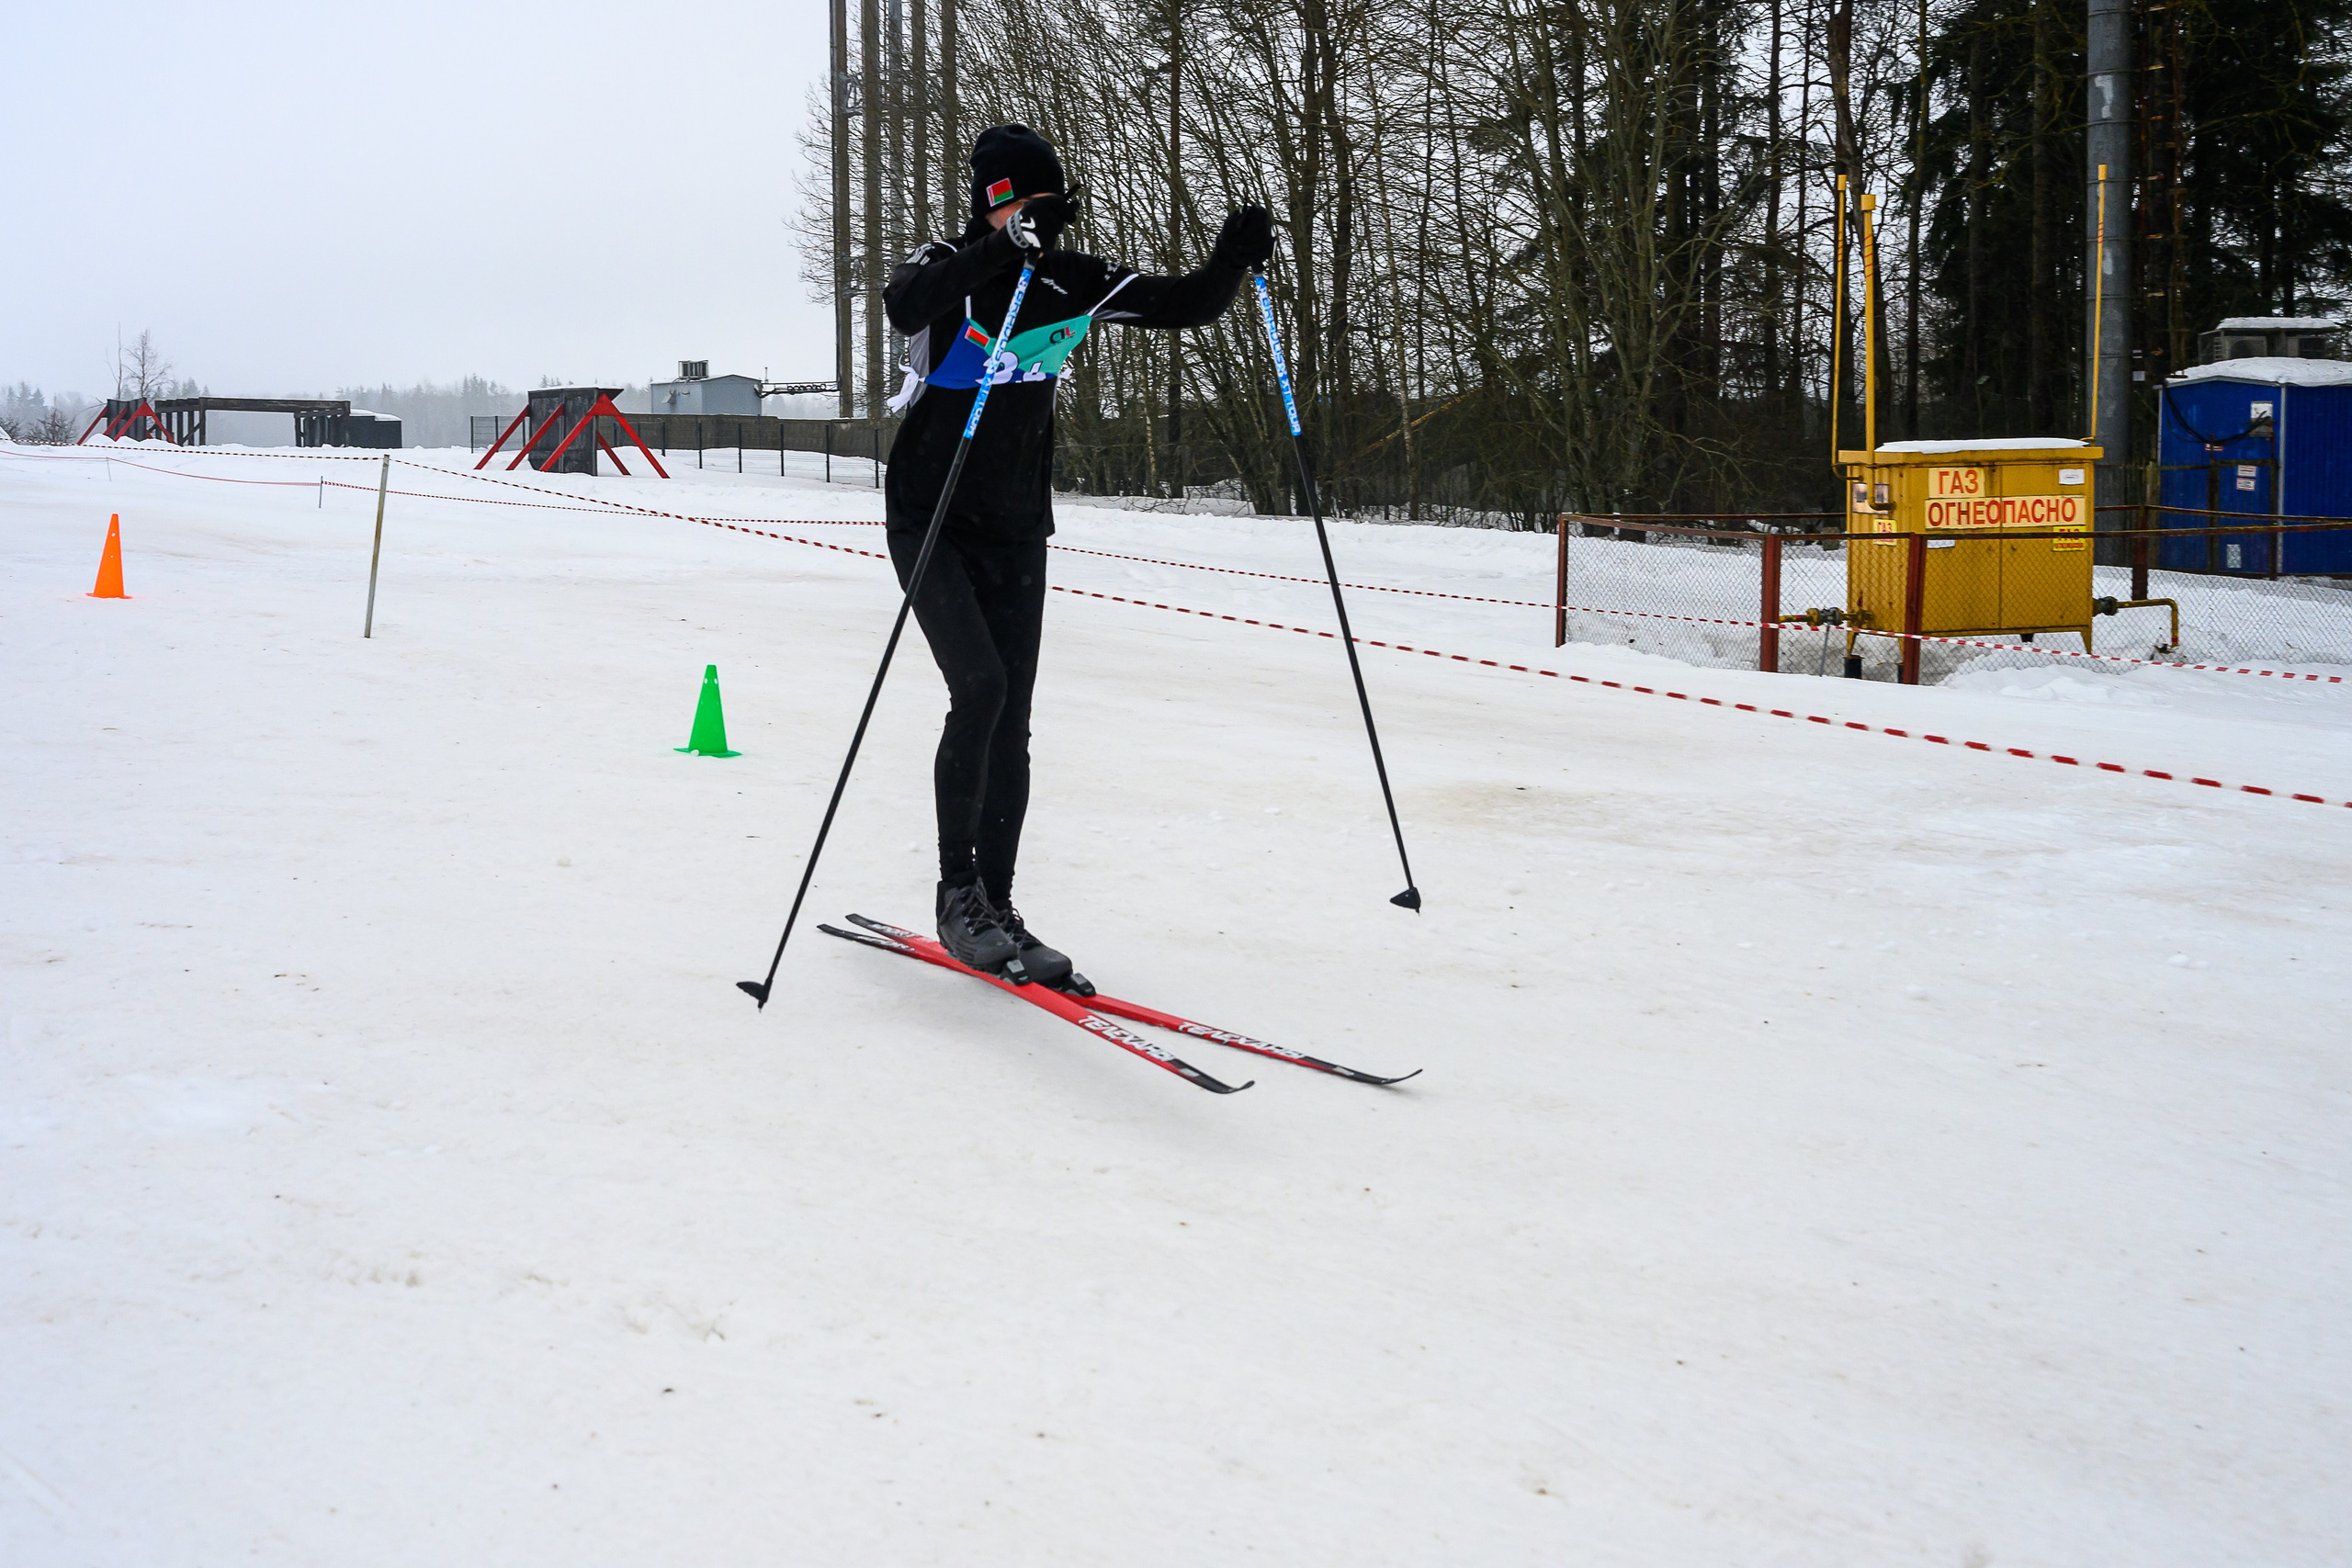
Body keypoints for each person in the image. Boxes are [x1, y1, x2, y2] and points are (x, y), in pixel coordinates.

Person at [882, 122, 1274, 987]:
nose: (1048, 222)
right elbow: (903, 303)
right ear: (998, 202)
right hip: (930, 517)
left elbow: (1185, 304)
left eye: (1055, 208)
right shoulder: (950, 261)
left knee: (1012, 717)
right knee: (977, 688)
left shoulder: (1071, 279)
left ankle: (1000, 905)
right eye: (1033, 205)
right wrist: (995, 252)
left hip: (1018, 525)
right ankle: (957, 895)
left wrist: (1233, 257)